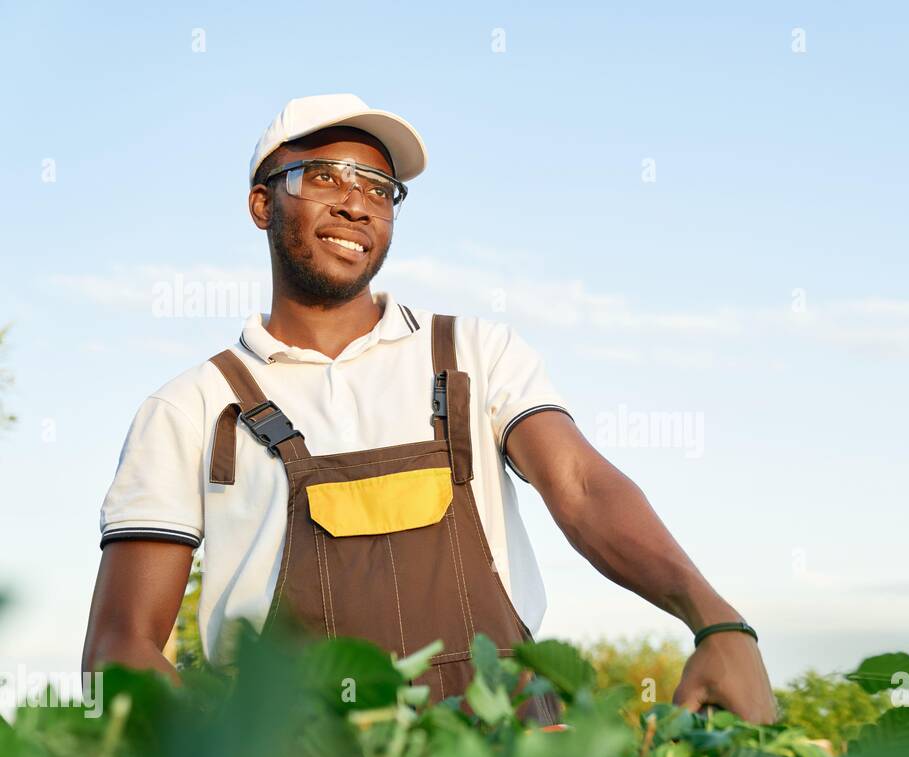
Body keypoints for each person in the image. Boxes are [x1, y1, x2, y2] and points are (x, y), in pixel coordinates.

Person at [82, 94, 776, 724]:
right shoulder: (189, 409)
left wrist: (717, 621)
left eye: (380, 189)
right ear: (263, 204)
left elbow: (583, 486)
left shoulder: (474, 352)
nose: (357, 204)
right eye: (324, 176)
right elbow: (121, 645)